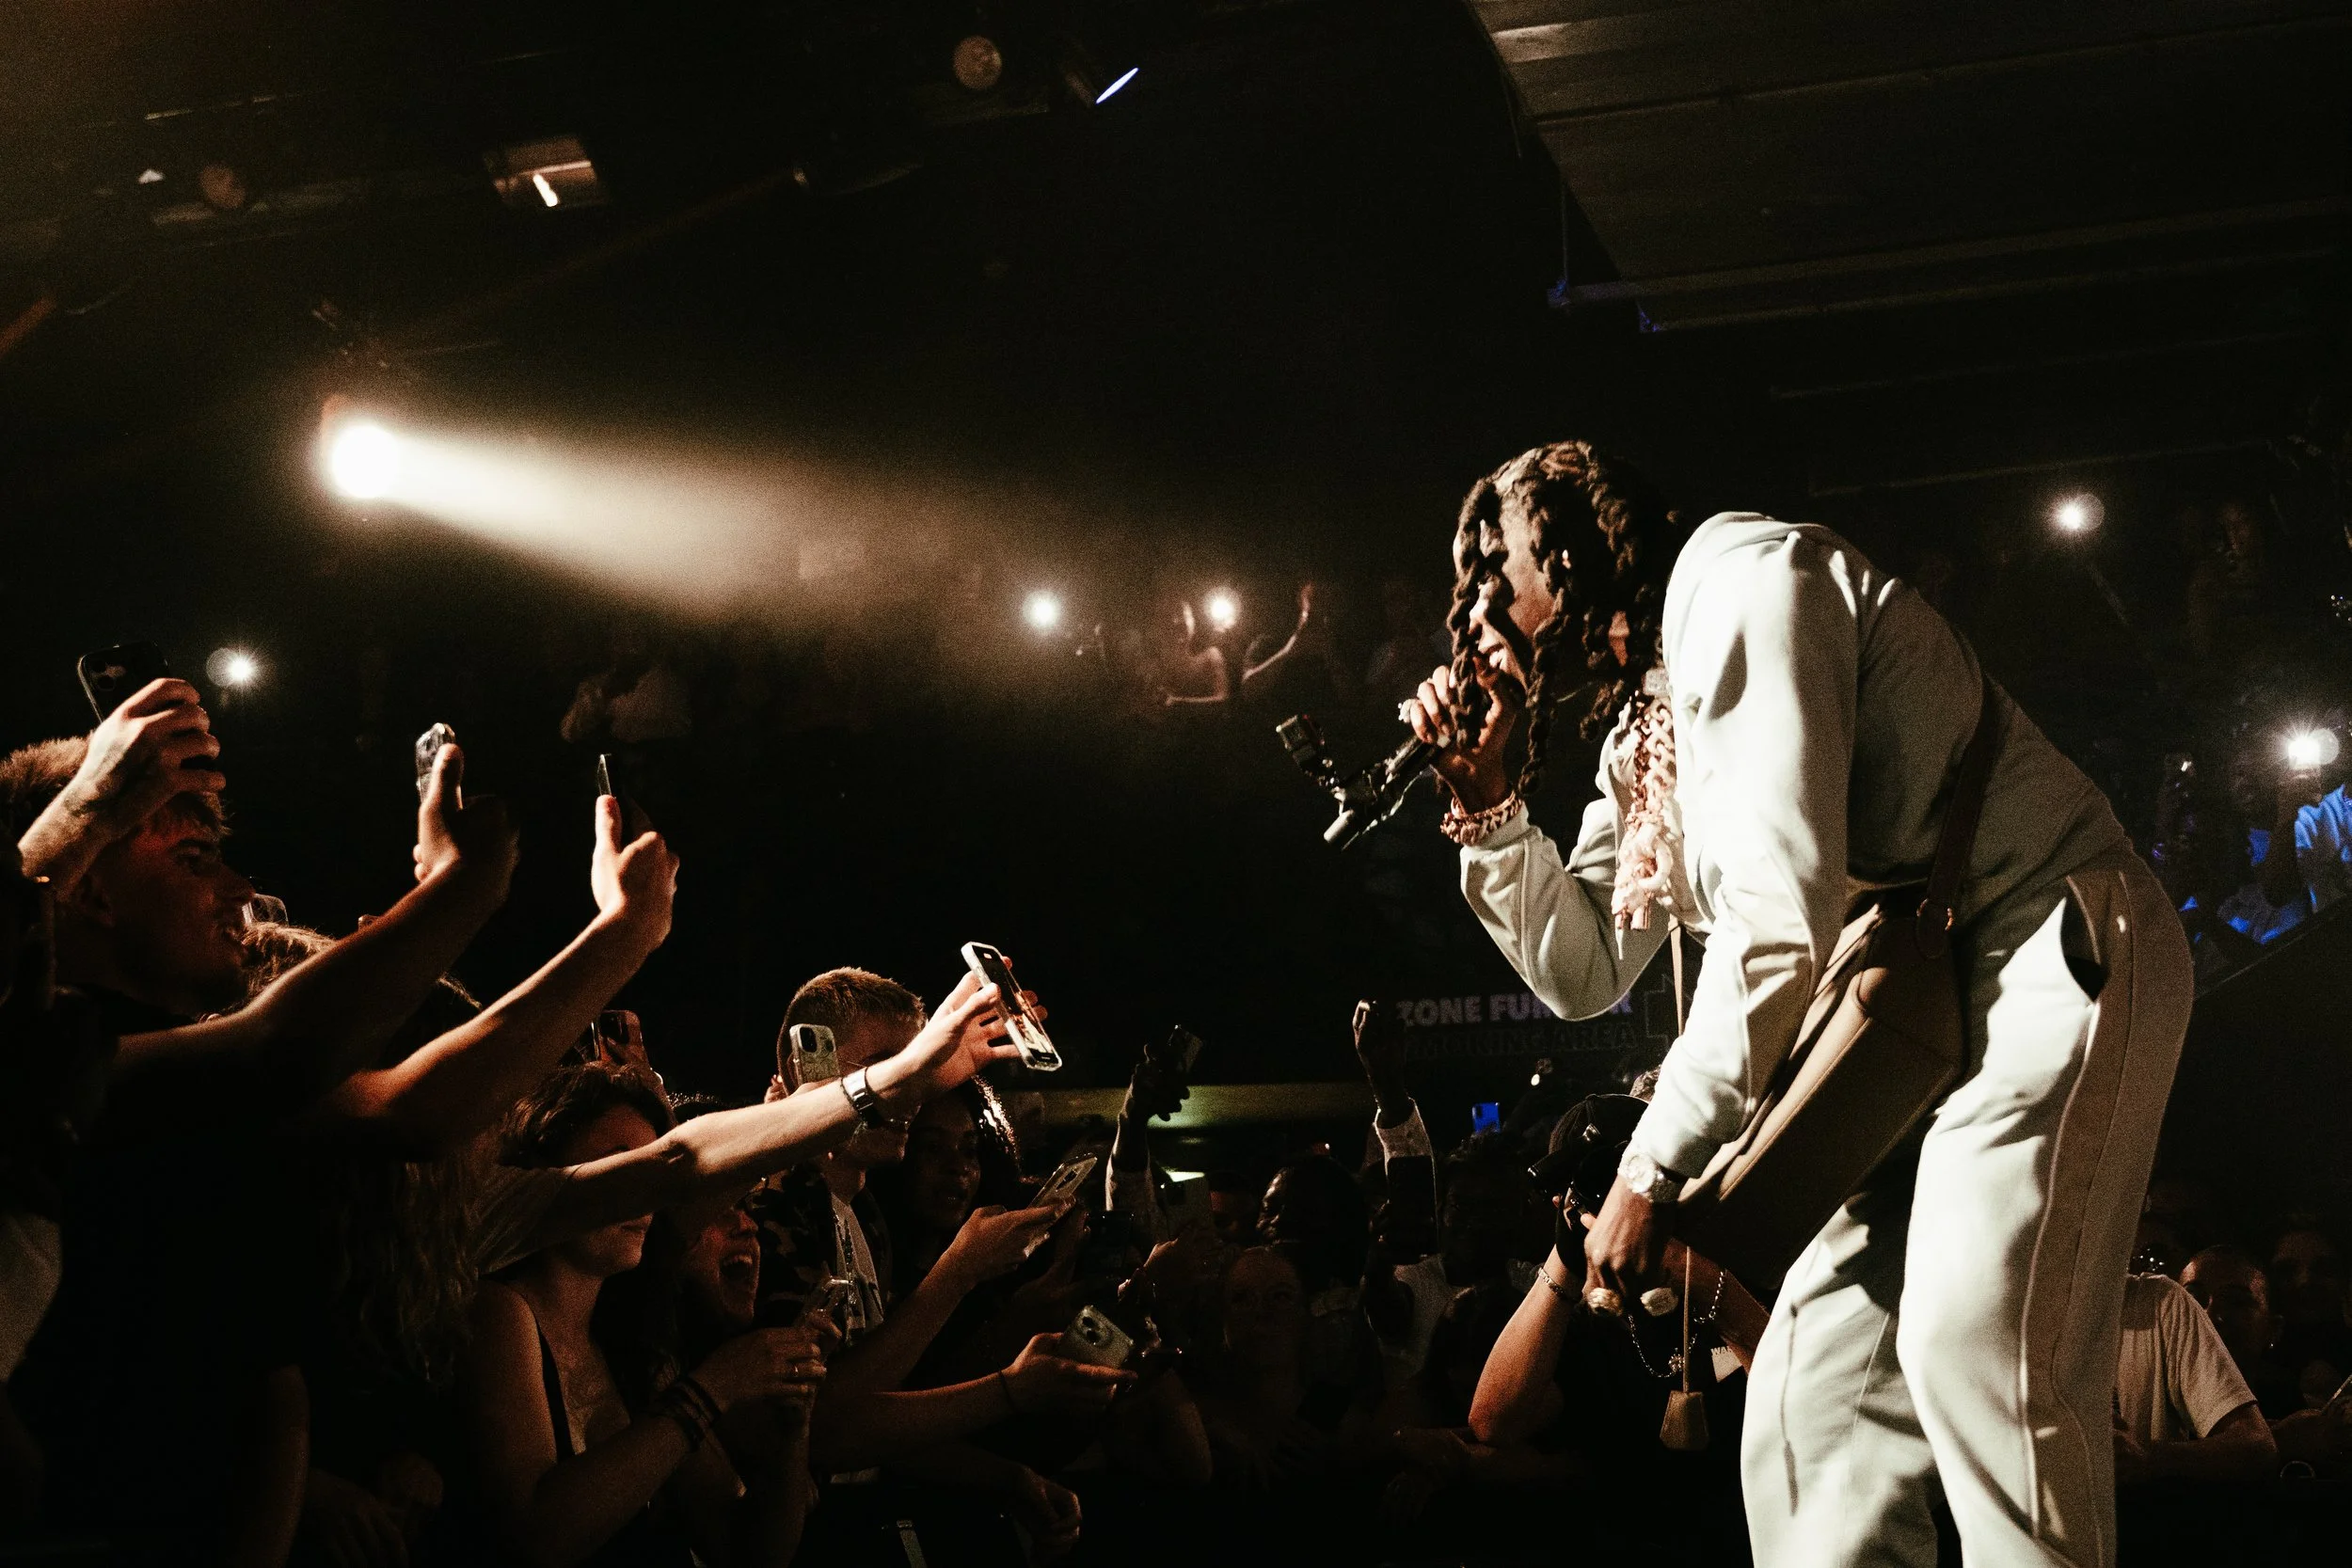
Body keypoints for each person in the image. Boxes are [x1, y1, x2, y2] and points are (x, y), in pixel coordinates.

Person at [1403, 440, 2195, 1567]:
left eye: (1496, 557)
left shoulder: (1739, 579)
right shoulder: (1646, 717)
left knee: (1978, 1350)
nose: (1474, 600)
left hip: (2040, 938)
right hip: (1911, 1019)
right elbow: (1584, 971)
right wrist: (1489, 809)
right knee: (1814, 1410)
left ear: (1574, 539)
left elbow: (1776, 926)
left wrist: (1646, 1172)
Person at [458, 1060, 833, 1568]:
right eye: (623, 1168)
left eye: (653, 1175)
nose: (643, 1195)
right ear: (546, 1176)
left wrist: (793, 1435)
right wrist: (712, 1388)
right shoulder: (501, 1310)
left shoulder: (633, 1347)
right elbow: (534, 1538)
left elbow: (748, 1553)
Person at [2112, 1270, 2277, 1484]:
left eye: (2236, 1302)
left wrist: (2146, 1456)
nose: (2211, 1315)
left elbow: (2256, 1444)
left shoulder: (2158, 1301)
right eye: (2196, 1298)